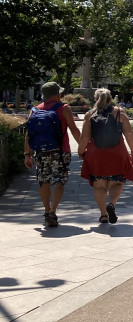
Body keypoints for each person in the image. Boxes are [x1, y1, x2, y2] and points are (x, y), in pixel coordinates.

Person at [23, 81, 82, 228]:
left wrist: (27, 154)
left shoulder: (35, 110)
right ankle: (53, 212)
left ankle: (46, 210)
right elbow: (74, 129)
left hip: (41, 151)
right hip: (60, 151)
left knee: (43, 181)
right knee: (59, 181)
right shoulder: (64, 108)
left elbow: (28, 134)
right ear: (57, 94)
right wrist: (83, 148)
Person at [78, 88, 133, 224]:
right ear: (111, 99)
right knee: (116, 182)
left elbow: (84, 138)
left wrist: (81, 151)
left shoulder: (89, 115)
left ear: (95, 99)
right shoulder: (120, 113)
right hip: (117, 153)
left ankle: (103, 215)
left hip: (96, 155)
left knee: (99, 185)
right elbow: (129, 134)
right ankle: (111, 204)